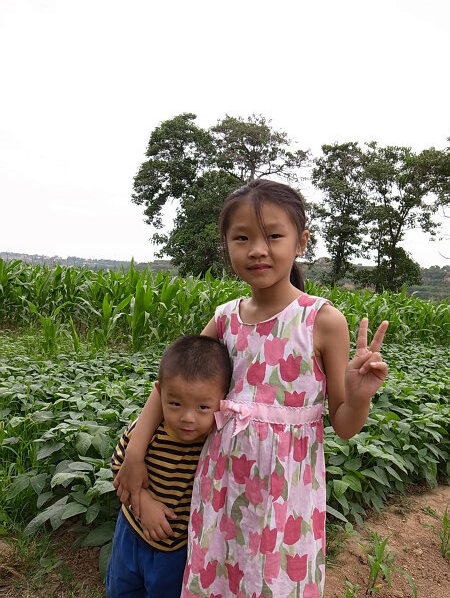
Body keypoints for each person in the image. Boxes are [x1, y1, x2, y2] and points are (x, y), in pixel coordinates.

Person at [114, 179, 389, 598]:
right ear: (227, 246)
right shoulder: (225, 319)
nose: (257, 249)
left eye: (274, 235)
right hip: (220, 492)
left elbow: (344, 425)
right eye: (242, 238)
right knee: (217, 580)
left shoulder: (321, 321)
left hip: (284, 499)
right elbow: (170, 385)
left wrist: (360, 395)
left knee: (273, 581)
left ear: (301, 242)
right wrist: (135, 453)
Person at [106, 334, 232, 598]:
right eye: (175, 404)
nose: (187, 417)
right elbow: (120, 468)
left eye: (202, 407)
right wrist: (144, 503)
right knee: (121, 590)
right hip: (131, 534)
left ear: (222, 402)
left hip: (177, 552)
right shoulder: (148, 432)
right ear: (159, 393)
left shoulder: (212, 445)